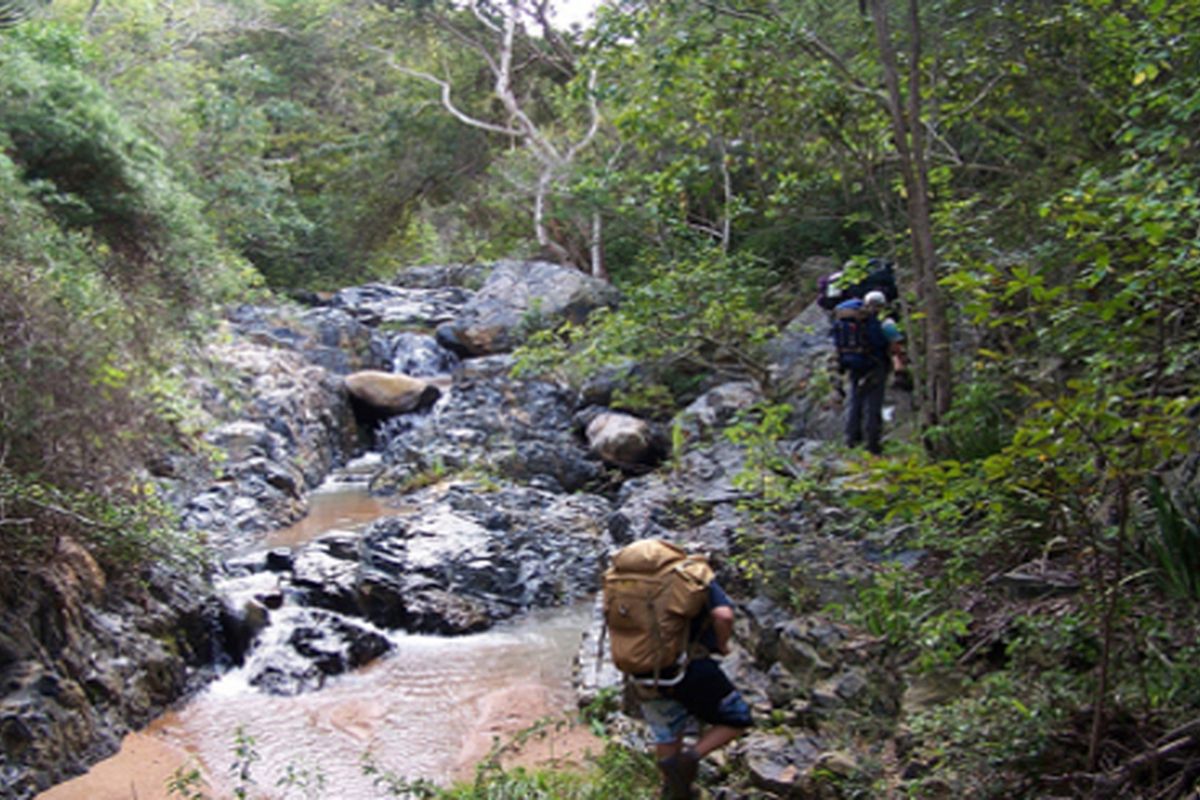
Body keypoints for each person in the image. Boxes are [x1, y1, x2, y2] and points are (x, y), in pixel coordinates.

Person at [634, 574, 754, 799]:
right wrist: (722, 645)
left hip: (644, 668)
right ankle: (690, 758)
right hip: (690, 667)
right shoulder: (694, 574)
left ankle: (672, 788)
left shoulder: (629, 578)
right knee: (737, 718)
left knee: (667, 733)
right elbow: (723, 616)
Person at [835, 289, 895, 455]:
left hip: (852, 364)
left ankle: (851, 440)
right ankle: (872, 444)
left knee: (855, 401)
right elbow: (881, 342)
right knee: (873, 404)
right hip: (874, 364)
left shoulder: (846, 321)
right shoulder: (875, 322)